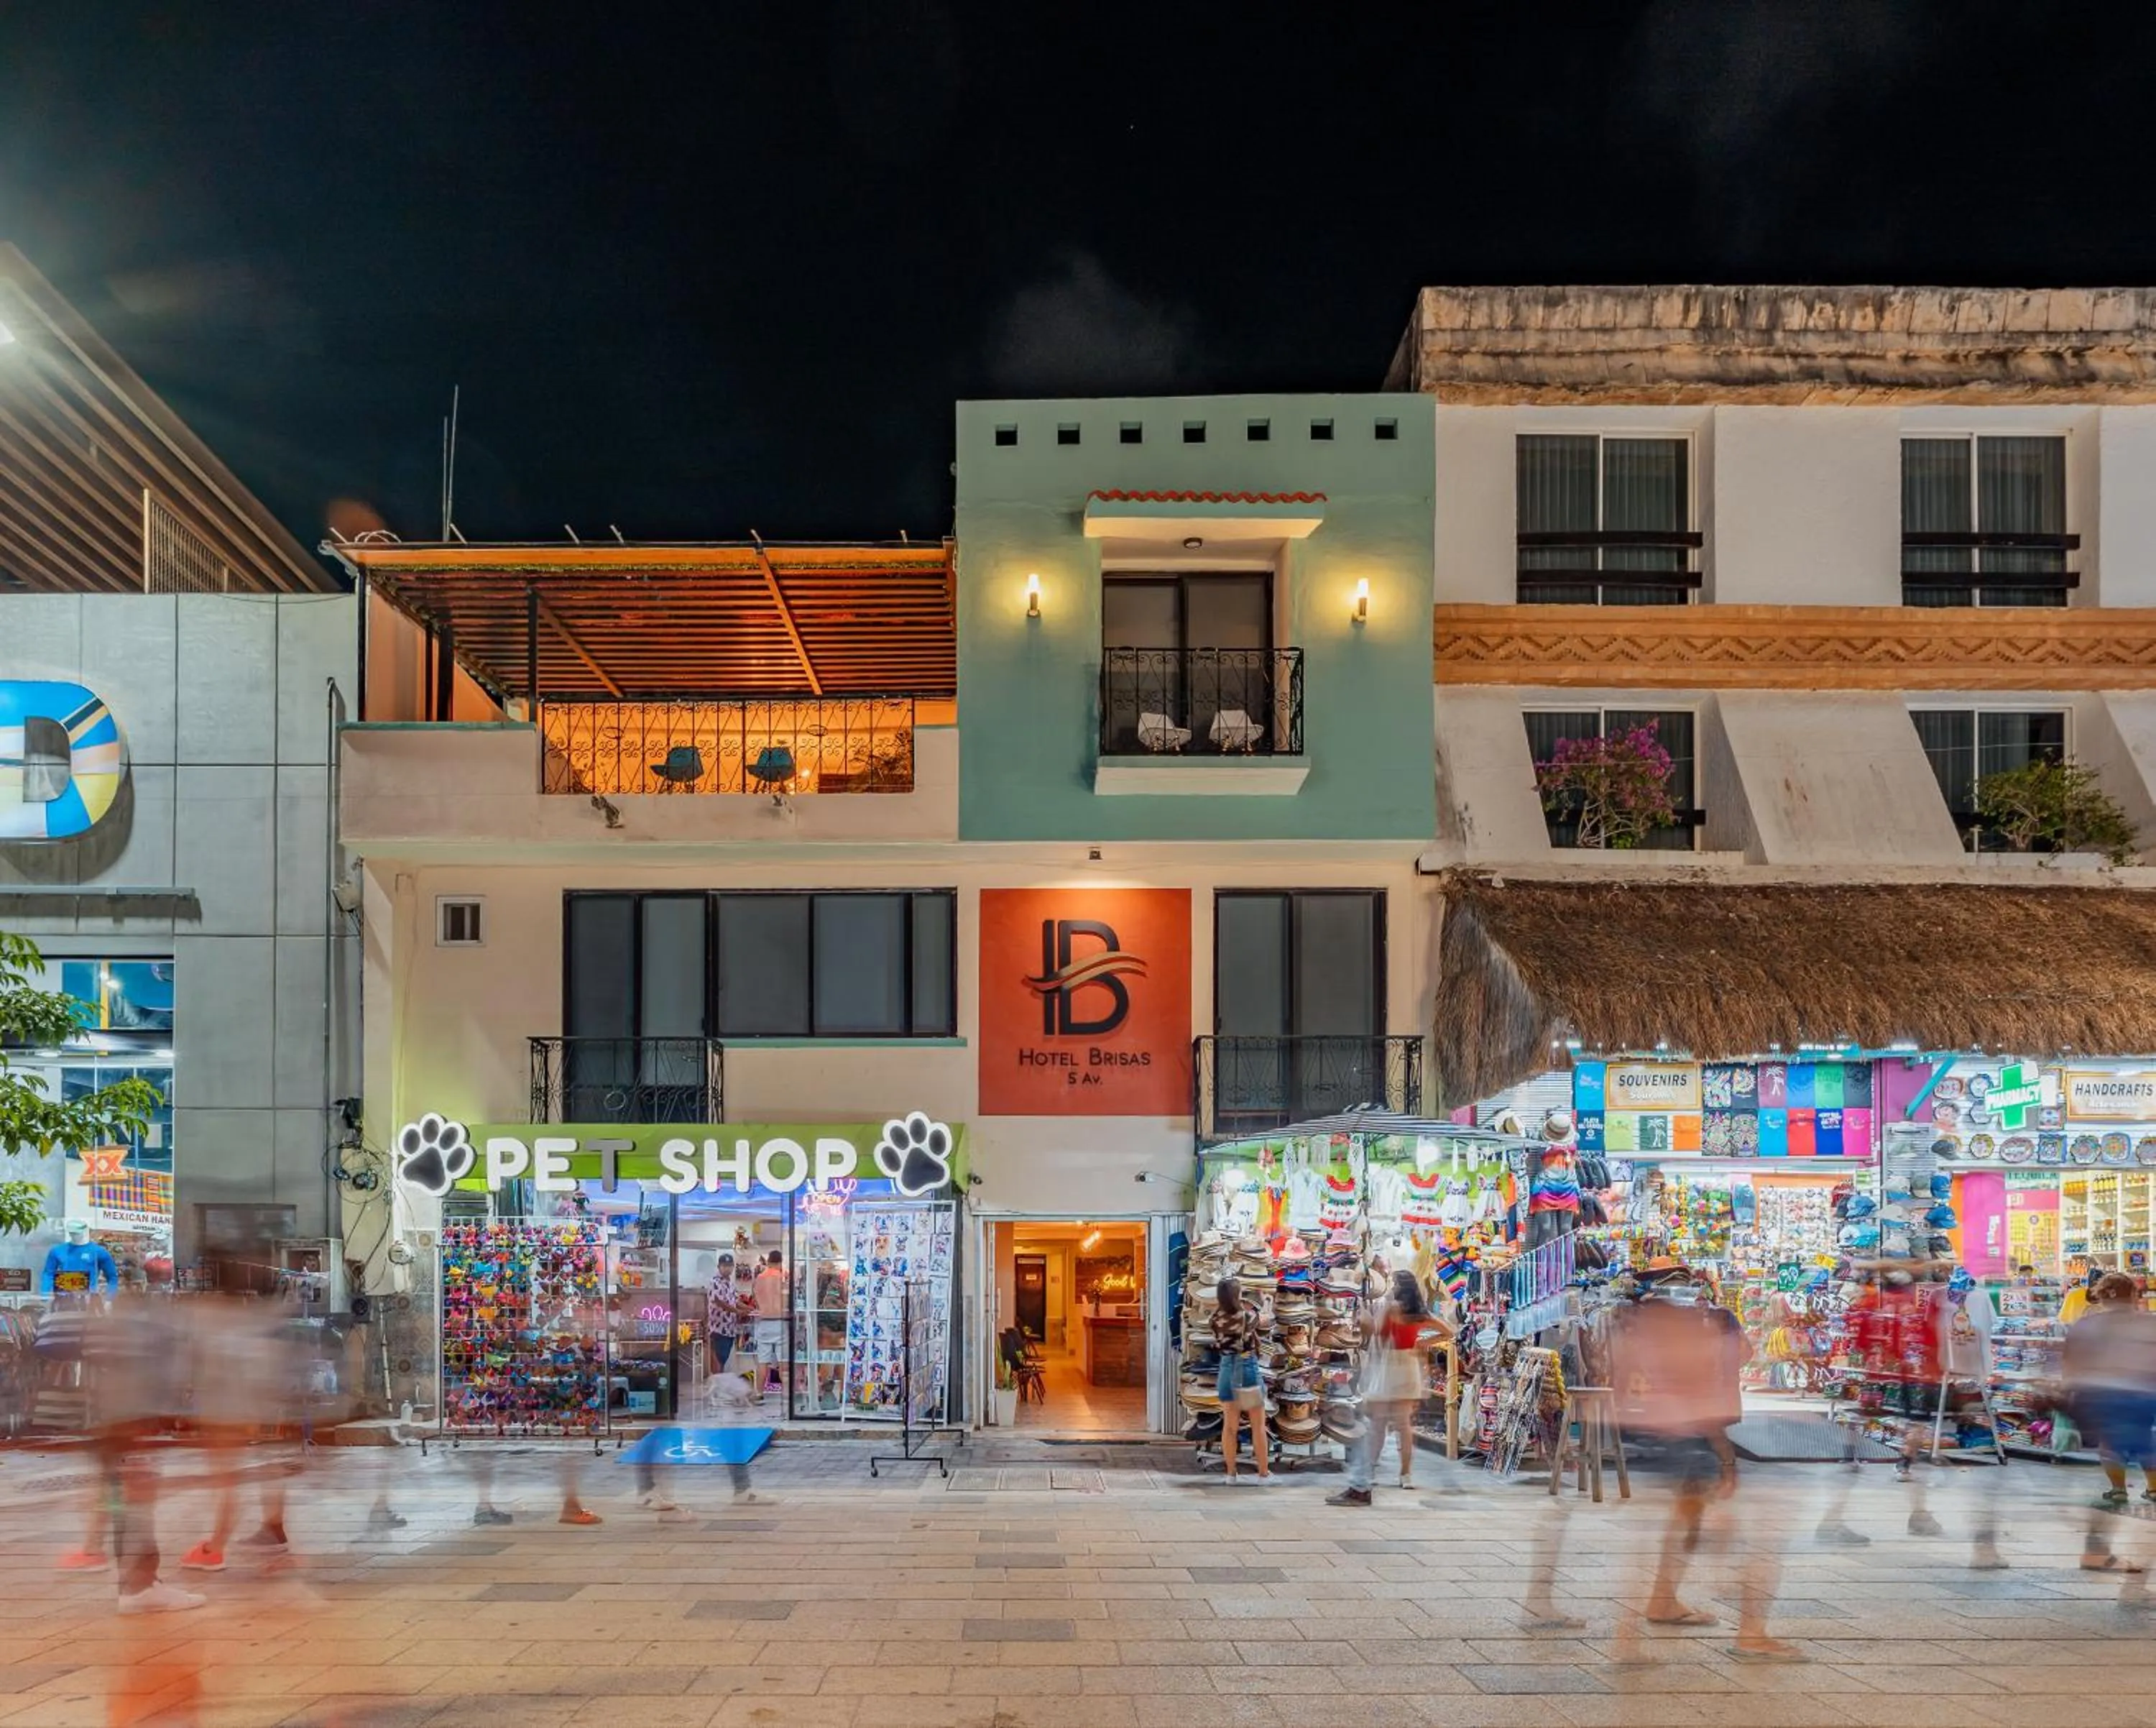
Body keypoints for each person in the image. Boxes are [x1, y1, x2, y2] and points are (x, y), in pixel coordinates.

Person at [1612, 1272, 1797, 1662]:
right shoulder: (1694, 1327)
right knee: (1755, 1533)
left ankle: (1651, 1613)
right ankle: (1751, 1633)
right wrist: (1726, 1456)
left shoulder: (1642, 1327)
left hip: (1657, 1438)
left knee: (1676, 1529)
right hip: (1689, 1442)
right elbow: (1701, 1392)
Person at [2065, 1270, 2156, 1576]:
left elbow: (2071, 1363)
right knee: (2145, 1442)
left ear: (2102, 1296)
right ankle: (2099, 1548)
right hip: (2142, 1395)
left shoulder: (2088, 1324)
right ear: (2134, 1295)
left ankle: (2117, 1489)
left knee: (2113, 1444)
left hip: (2100, 1397)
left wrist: (2070, 1393)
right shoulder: (2149, 1323)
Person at [1330, 1269, 1445, 1507]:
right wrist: (1423, 1342)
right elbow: (1450, 1332)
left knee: (1377, 1425)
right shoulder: (1420, 1313)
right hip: (1409, 1368)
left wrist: (1366, 1318)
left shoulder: (1392, 1308)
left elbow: (1379, 1336)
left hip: (1389, 1367)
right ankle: (1405, 1475)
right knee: (1404, 1426)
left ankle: (1365, 1478)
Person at [1210, 1276, 1273, 1484]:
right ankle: (1263, 1474)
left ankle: (1231, 1474)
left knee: (1230, 1427)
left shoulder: (1215, 1319)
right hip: (1246, 1368)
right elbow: (1265, 1319)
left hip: (1227, 1369)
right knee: (1257, 1425)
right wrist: (1264, 1300)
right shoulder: (1247, 1317)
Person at [752, 1251, 788, 1400]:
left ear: (768, 1261)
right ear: (780, 1262)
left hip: (764, 1324)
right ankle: (786, 1396)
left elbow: (756, 1300)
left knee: (762, 1362)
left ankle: (759, 1394)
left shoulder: (758, 1279)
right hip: (780, 1323)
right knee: (783, 1362)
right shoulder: (782, 1279)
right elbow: (786, 1303)